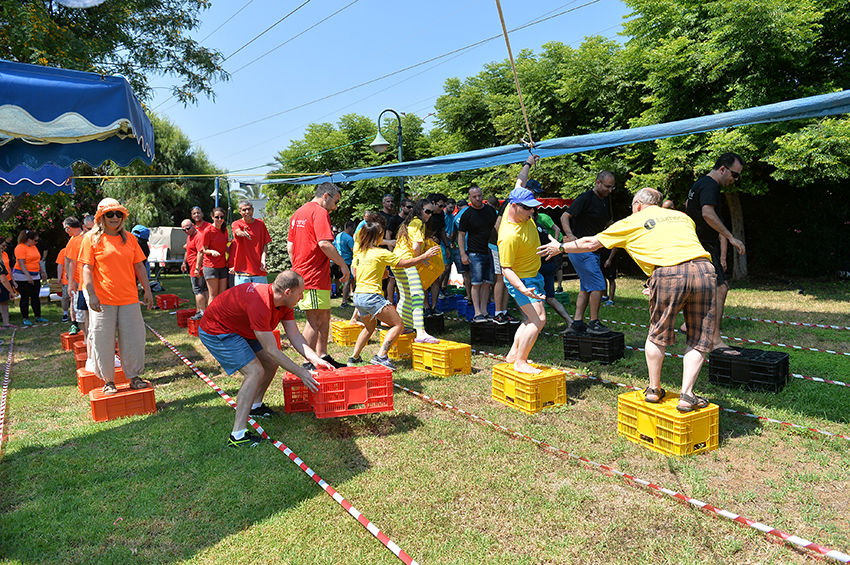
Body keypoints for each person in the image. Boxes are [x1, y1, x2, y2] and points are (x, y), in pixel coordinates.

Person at [540, 187, 718, 412]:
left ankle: (654, 389)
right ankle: (687, 395)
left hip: (668, 273)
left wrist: (561, 247)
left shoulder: (632, 221)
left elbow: (590, 243)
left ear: (637, 205)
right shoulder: (682, 217)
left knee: (657, 333)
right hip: (705, 270)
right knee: (698, 336)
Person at [199, 270, 328, 447]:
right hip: (217, 330)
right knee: (254, 371)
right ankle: (237, 436)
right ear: (287, 292)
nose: (303, 296)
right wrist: (302, 373)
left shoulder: (285, 304)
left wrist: (315, 359)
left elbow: (295, 336)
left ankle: (255, 406)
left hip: (242, 327)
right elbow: (272, 349)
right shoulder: (260, 303)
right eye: (300, 292)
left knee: (270, 363)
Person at [79, 198, 153, 395]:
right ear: (100, 217)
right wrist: (91, 294)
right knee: (102, 341)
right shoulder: (90, 239)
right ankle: (108, 381)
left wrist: (147, 290)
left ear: (123, 217)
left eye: (118, 214)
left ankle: (134, 377)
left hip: (129, 299)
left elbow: (139, 266)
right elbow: (87, 268)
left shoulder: (130, 238)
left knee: (134, 340)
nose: (114, 218)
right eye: (109, 214)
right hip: (103, 301)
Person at [347, 220, 440, 369]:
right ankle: (381, 356)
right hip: (372, 297)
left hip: (358, 297)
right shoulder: (381, 253)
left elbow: (357, 275)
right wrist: (425, 256)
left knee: (369, 328)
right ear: (378, 236)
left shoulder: (360, 254)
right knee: (398, 325)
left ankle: (354, 357)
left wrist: (379, 274)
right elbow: (404, 263)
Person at [686, 152, 746, 353]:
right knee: (720, 288)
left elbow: (690, 209)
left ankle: (690, 325)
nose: (735, 180)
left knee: (700, 290)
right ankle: (714, 339)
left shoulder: (700, 184)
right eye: (735, 175)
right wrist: (730, 237)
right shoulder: (711, 186)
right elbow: (707, 213)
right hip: (703, 245)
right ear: (722, 169)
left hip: (696, 244)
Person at [287, 182, 350, 369]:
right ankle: (308, 363)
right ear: (326, 196)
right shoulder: (320, 212)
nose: (335, 207)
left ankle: (323, 355)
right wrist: (343, 265)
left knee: (325, 316)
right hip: (312, 275)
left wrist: (297, 266)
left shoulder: (298, 212)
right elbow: (324, 244)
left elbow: (290, 246)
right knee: (313, 320)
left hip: (310, 273)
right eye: (335, 201)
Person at [498, 186, 547, 374]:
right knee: (538, 319)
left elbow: (519, 183)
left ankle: (513, 356)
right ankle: (520, 361)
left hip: (534, 276)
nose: (532, 211)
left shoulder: (521, 215)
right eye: (527, 208)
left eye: (533, 207)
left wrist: (528, 163)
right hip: (522, 280)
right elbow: (506, 269)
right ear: (514, 206)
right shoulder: (509, 235)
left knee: (529, 319)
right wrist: (522, 289)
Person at [559, 171, 615, 335]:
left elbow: (608, 223)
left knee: (586, 287)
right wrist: (570, 236)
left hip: (593, 249)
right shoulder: (586, 198)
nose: (610, 190)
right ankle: (594, 322)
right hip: (581, 249)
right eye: (607, 186)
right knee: (598, 285)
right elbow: (564, 216)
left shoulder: (606, 201)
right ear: (598, 183)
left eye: (612, 187)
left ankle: (577, 323)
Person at [393, 198, 442, 343]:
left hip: (397, 262)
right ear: (419, 210)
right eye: (427, 211)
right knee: (418, 294)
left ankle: (402, 326)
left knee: (406, 296)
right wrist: (423, 257)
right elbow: (415, 248)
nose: (429, 215)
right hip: (407, 262)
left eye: (431, 212)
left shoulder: (410, 222)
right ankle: (420, 332)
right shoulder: (418, 222)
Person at [458, 186, 499, 322]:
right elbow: (461, 235)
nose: (478, 198)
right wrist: (463, 254)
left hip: (490, 250)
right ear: (470, 198)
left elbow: (497, 228)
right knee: (476, 283)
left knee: (487, 282)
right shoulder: (467, 214)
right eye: (474, 196)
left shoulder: (490, 211)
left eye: (480, 195)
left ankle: (484, 311)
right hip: (475, 253)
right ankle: (477, 312)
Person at [533, 209, 573, 329]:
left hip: (538, 266)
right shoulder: (542, 227)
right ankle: (570, 321)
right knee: (550, 298)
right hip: (548, 264)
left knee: (535, 298)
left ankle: (535, 327)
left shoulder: (530, 229)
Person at [230, 200, 272, 285]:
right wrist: (242, 233)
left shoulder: (260, 224)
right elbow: (237, 231)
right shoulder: (236, 224)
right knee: (242, 298)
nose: (247, 212)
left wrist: (263, 260)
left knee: (261, 298)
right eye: (244, 210)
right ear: (240, 211)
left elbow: (265, 244)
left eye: (249, 209)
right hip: (242, 271)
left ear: (253, 210)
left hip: (259, 270)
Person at [12, 230, 48, 325]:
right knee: (25, 297)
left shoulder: (33, 247)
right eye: (35, 240)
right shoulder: (20, 248)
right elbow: (21, 263)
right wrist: (28, 276)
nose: (36, 242)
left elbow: (37, 260)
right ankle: (25, 317)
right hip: (22, 276)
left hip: (35, 274)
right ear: (28, 239)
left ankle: (38, 316)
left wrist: (42, 272)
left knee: (35, 296)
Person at [198, 206, 229, 303]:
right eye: (217, 217)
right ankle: (211, 317)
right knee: (213, 295)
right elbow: (203, 249)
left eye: (222, 217)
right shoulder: (208, 231)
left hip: (223, 265)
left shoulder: (225, 230)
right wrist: (211, 251)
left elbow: (225, 247)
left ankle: (220, 316)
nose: (219, 219)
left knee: (222, 294)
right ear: (212, 217)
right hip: (211, 266)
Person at [385, 197, 412, 304]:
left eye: (412, 207)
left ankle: (402, 301)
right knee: (392, 279)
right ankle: (391, 302)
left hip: (406, 253)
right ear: (402, 207)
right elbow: (388, 234)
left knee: (402, 280)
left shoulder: (410, 220)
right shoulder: (394, 219)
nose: (410, 209)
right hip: (395, 253)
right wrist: (391, 251)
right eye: (408, 207)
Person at [181, 219, 208, 320]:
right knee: (203, 290)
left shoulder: (198, 236)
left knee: (198, 290)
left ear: (193, 226)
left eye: (188, 228)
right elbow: (188, 250)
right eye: (183, 230)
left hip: (197, 268)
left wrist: (197, 268)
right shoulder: (189, 236)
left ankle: (201, 312)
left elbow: (201, 252)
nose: (186, 231)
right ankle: (204, 311)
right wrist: (184, 262)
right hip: (192, 266)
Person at [64, 217, 86, 335]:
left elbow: (72, 262)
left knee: (81, 307)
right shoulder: (73, 239)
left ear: (68, 228)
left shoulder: (81, 239)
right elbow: (68, 260)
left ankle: (83, 331)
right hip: (75, 278)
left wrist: (71, 281)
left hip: (81, 279)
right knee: (74, 302)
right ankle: (74, 324)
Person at [334, 221, 356, 307]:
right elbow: (354, 250)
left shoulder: (338, 236)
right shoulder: (349, 238)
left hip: (339, 260)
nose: (353, 230)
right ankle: (344, 302)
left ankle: (346, 297)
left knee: (344, 280)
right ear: (349, 227)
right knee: (347, 281)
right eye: (353, 228)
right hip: (347, 262)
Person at [0, 238, 16, 327]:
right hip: (2, 281)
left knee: (5, 302)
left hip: (7, 280)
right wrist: (11, 291)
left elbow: (8, 268)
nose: (4, 247)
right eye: (2, 246)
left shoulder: (4, 254)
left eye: (5, 246)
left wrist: (12, 281)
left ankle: (6, 323)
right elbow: (2, 278)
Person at [55, 243, 70, 323]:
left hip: (78, 280)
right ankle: (65, 313)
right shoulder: (63, 251)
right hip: (66, 280)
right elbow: (60, 265)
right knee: (65, 297)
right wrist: (59, 277)